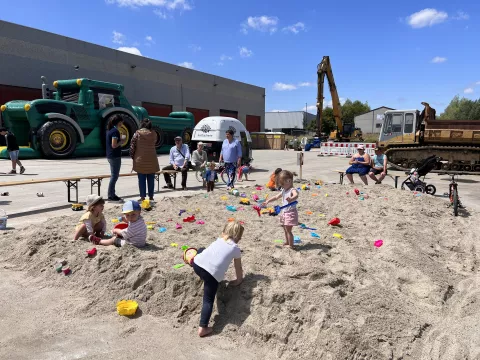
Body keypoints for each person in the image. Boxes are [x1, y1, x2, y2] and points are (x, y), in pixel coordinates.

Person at [192, 220, 244, 337]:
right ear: (238, 236)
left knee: (201, 250)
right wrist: (239, 280)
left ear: (225, 232)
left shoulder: (219, 240)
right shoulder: (235, 249)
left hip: (197, 264)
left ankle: (191, 261)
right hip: (211, 275)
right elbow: (238, 267)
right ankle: (203, 328)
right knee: (208, 300)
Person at [263, 170, 299, 249]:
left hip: (290, 213)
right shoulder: (284, 190)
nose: (281, 186)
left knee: (288, 230)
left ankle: (291, 245)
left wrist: (292, 198)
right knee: (285, 229)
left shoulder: (292, 190)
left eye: (282, 184)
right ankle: (287, 242)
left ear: (289, 181)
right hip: (284, 212)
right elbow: (276, 197)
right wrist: (268, 201)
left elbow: (296, 195)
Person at [130, 118, 160, 202]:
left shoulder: (137, 134)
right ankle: (151, 197)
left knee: (142, 180)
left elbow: (132, 146)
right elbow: (155, 143)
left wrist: (133, 157)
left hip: (140, 160)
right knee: (151, 180)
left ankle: (143, 197)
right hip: (152, 160)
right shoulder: (154, 134)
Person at [106, 114, 125, 201]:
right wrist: (121, 142)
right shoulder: (115, 131)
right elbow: (114, 145)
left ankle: (112, 193)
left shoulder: (110, 130)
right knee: (114, 176)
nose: (122, 124)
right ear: (119, 122)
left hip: (111, 155)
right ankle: (111, 195)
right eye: (121, 122)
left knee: (114, 176)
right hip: (115, 156)